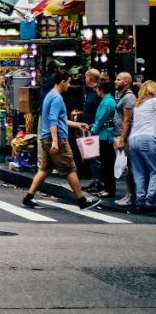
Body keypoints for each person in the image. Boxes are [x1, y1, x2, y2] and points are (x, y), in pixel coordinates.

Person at [22, 71, 100, 210]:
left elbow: (59, 118)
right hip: (57, 137)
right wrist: (55, 141)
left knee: (44, 169)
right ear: (62, 81)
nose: (69, 85)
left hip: (46, 137)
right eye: (68, 82)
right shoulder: (57, 98)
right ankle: (82, 201)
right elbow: (53, 120)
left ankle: (29, 197)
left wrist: (77, 124)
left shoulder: (49, 96)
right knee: (70, 168)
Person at [127, 79, 156, 211]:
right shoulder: (154, 102)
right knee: (154, 170)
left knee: (139, 172)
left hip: (133, 139)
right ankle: (150, 200)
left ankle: (140, 200)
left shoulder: (138, 106)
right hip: (147, 138)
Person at [113, 71, 138, 207]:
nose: (115, 81)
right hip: (123, 136)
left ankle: (132, 196)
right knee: (126, 167)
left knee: (129, 167)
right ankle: (129, 194)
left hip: (127, 137)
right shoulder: (123, 97)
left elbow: (127, 120)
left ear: (126, 82)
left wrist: (122, 138)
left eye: (118, 79)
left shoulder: (129, 98)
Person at [90, 79, 118, 198]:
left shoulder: (106, 102)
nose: (96, 91)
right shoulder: (109, 100)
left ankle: (109, 189)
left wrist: (93, 129)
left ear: (101, 90)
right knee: (107, 163)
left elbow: (101, 118)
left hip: (105, 135)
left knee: (106, 163)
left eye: (97, 89)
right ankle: (108, 187)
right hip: (107, 134)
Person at [80, 69, 102, 191]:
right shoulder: (90, 92)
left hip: (94, 126)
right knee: (90, 155)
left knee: (95, 156)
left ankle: (99, 182)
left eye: (86, 77)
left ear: (91, 78)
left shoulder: (97, 92)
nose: (85, 79)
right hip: (88, 125)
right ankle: (95, 180)